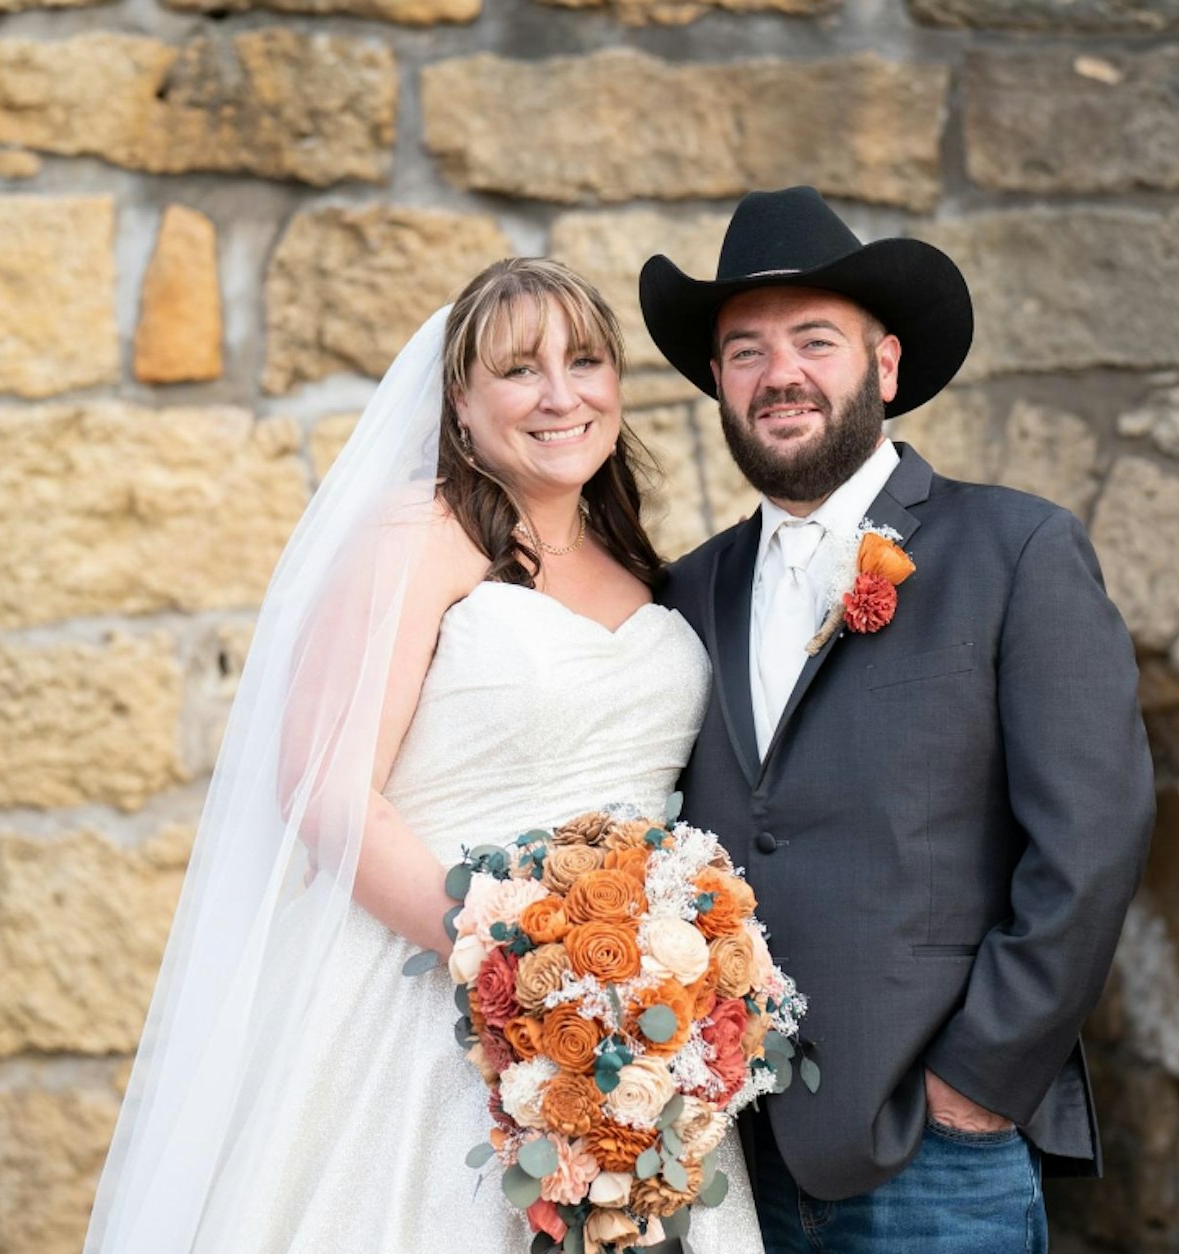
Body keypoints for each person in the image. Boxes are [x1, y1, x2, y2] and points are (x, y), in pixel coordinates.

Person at [83, 259, 764, 1252]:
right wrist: (520, 959)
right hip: (425, 1006)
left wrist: (644, 985)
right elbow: (324, 791)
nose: (561, 394)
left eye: (585, 360)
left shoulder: (641, 566)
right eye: (520, 370)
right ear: (460, 399)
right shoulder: (418, 536)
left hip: (633, 1031)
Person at [641, 186, 1155, 1254]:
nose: (778, 375)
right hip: (724, 1163)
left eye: (814, 340)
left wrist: (974, 1084)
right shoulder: (686, 593)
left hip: (933, 1156)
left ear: (883, 367)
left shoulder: (1014, 553)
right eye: (745, 352)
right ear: (719, 386)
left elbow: (1091, 842)